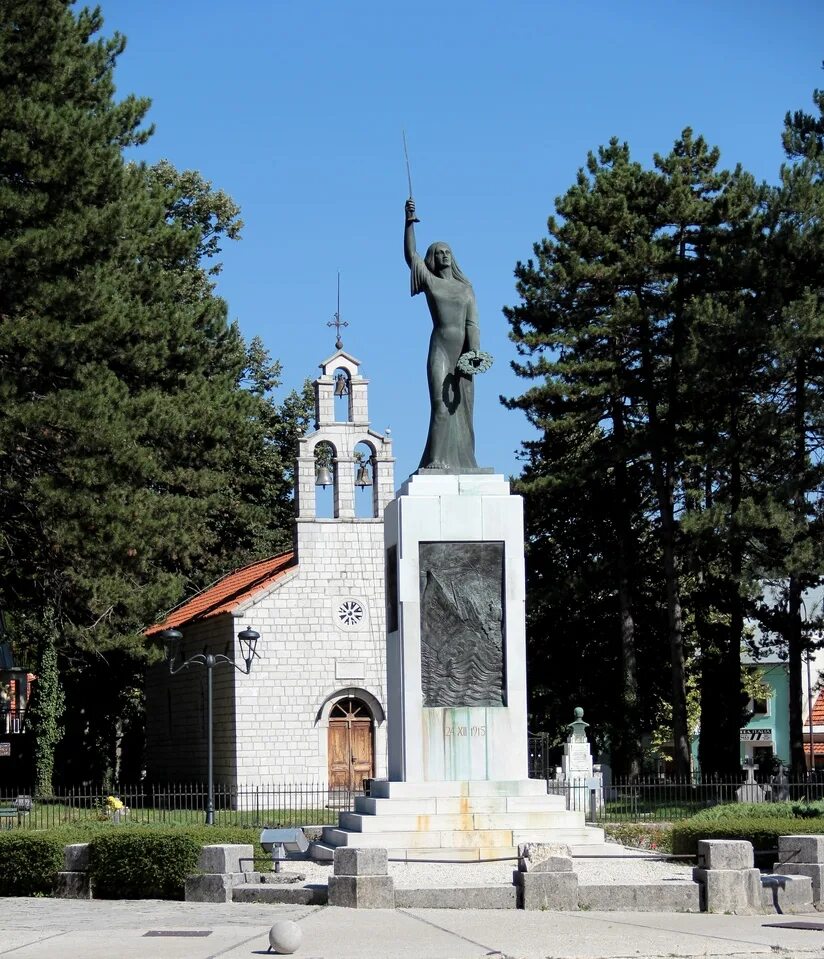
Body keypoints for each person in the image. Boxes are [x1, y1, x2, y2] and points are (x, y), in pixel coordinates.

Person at [404, 197, 479, 471]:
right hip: (440, 348)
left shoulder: (466, 288)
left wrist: (475, 353)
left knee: (463, 408)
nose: (444, 255)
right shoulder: (431, 282)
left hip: (464, 352)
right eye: (438, 252)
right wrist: (409, 222)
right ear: (432, 259)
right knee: (440, 403)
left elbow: (473, 324)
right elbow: (411, 256)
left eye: (447, 251)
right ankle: (436, 459)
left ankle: (465, 461)